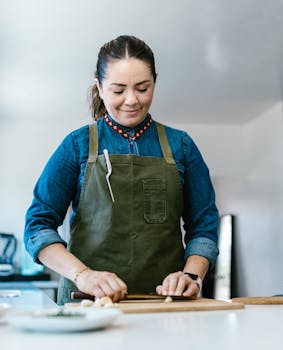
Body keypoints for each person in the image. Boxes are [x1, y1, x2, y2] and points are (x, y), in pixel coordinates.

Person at [24, 35, 219, 305]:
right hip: (87, 304)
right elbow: (37, 226)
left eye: (143, 88)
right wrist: (82, 275)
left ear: (155, 82)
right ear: (100, 87)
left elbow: (204, 228)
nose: (131, 100)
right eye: (118, 90)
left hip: (165, 305)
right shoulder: (76, 146)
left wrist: (192, 276)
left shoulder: (182, 146)